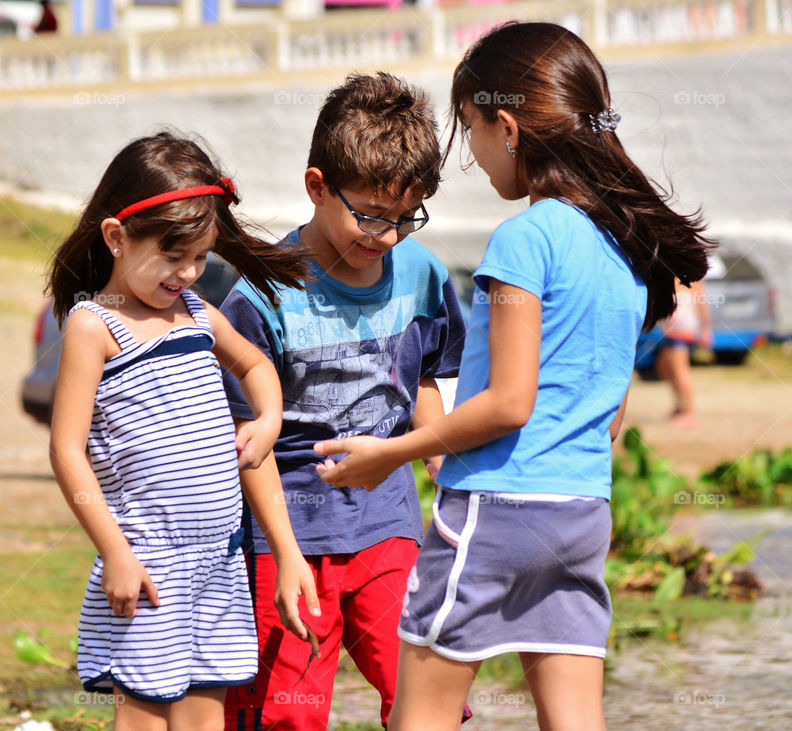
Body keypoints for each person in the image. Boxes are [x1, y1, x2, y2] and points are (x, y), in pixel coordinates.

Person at [314, 22, 714, 731]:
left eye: (469, 131)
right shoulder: (623, 248)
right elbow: (609, 412)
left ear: (508, 126)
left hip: (495, 509)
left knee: (422, 718)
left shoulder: (525, 240)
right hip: (582, 511)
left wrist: (392, 453)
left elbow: (508, 402)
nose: (472, 157)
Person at [47, 132, 321, 731]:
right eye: (173, 256)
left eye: (200, 257)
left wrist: (268, 420)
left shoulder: (198, 314)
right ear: (117, 238)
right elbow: (67, 451)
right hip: (147, 563)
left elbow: (255, 364)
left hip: (217, 563)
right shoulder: (95, 327)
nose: (189, 272)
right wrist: (114, 552)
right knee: (143, 715)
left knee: (205, 717)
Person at [220, 72, 466, 730]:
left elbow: (426, 381)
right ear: (317, 186)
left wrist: (436, 453)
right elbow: (250, 443)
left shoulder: (423, 276)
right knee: (287, 712)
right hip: (291, 534)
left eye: (405, 218)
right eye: (369, 215)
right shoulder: (261, 297)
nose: (386, 236)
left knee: (423, 691)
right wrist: (286, 555)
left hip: (389, 526)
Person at [656, 277, 713, 428]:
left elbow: (700, 298)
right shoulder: (672, 266)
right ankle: (680, 407)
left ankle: (690, 413)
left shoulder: (690, 272)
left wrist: (706, 329)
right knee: (665, 367)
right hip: (672, 326)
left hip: (681, 326)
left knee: (680, 370)